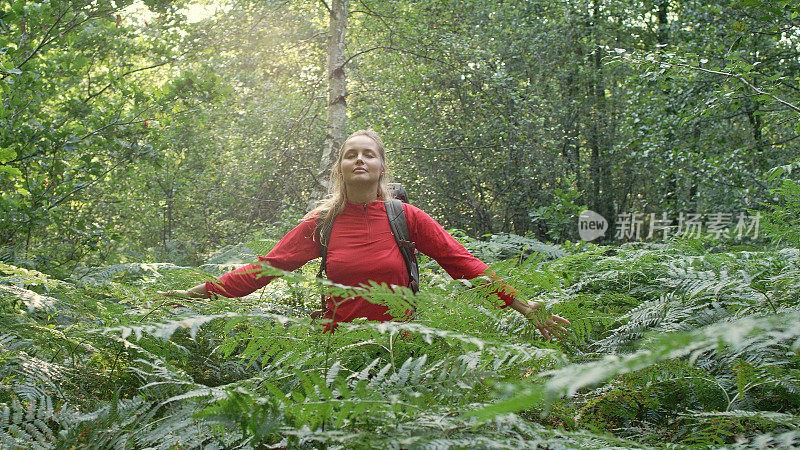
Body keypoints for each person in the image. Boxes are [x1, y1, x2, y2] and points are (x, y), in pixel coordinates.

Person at [159, 129, 570, 339]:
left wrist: (524, 306)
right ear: (339, 167)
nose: (359, 159)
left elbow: (463, 264)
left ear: (380, 167)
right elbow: (268, 269)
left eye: (367, 154)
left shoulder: (406, 218)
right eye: (350, 154)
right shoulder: (322, 222)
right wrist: (197, 291)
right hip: (336, 349)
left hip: (400, 347)